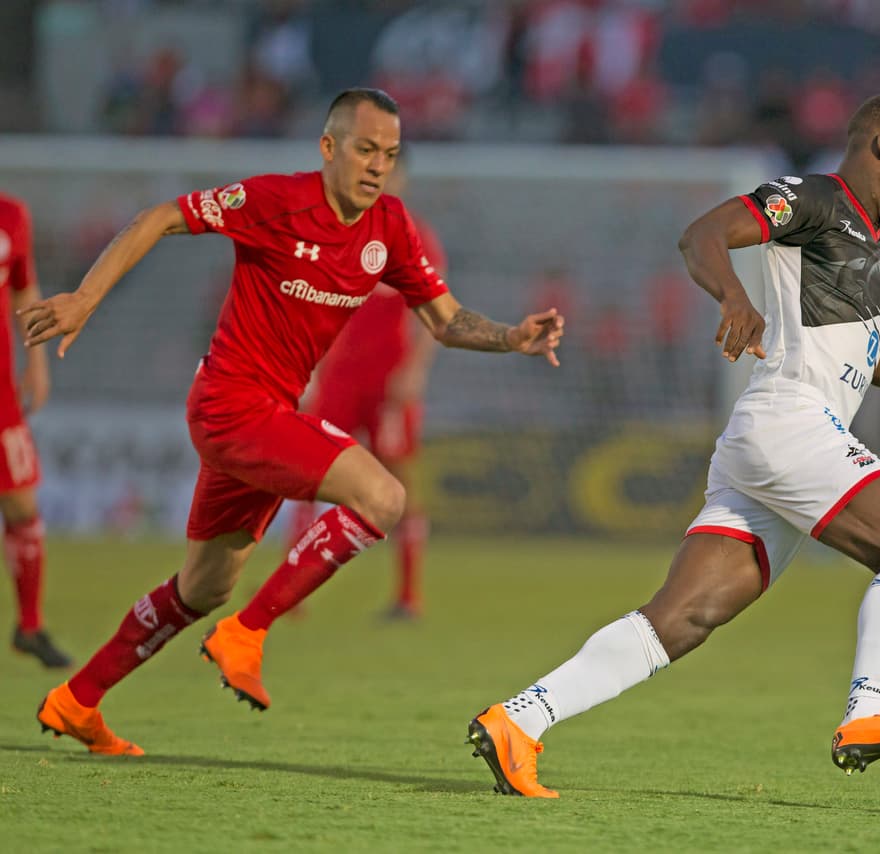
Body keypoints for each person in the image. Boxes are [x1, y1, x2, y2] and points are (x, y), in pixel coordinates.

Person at [465, 92, 880, 798]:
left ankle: (519, 720)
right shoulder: (815, 199)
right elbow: (702, 235)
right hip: (790, 420)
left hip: (778, 443)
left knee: (684, 617)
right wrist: (732, 296)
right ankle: (867, 714)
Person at [23, 88, 564, 756]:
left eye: (389, 155)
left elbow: (446, 319)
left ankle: (78, 700)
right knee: (383, 496)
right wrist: (83, 298)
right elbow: (162, 215)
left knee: (203, 585)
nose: (377, 167)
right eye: (365, 149)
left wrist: (513, 336)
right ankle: (248, 632)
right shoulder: (277, 201)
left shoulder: (390, 227)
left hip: (269, 414)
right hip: (231, 402)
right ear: (329, 147)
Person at [283, 152, 442, 620]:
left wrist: (414, 372)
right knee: (308, 475)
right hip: (340, 377)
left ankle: (408, 595)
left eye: (393, 171)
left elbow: (435, 314)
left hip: (388, 381)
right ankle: (292, 589)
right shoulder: (338, 231)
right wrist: (308, 368)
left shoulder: (417, 238)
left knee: (400, 481)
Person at [0, 192, 72, 669]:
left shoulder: (12, 215)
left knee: (23, 505)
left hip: (1, 393)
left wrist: (37, 359)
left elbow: (24, 287)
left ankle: (30, 626)